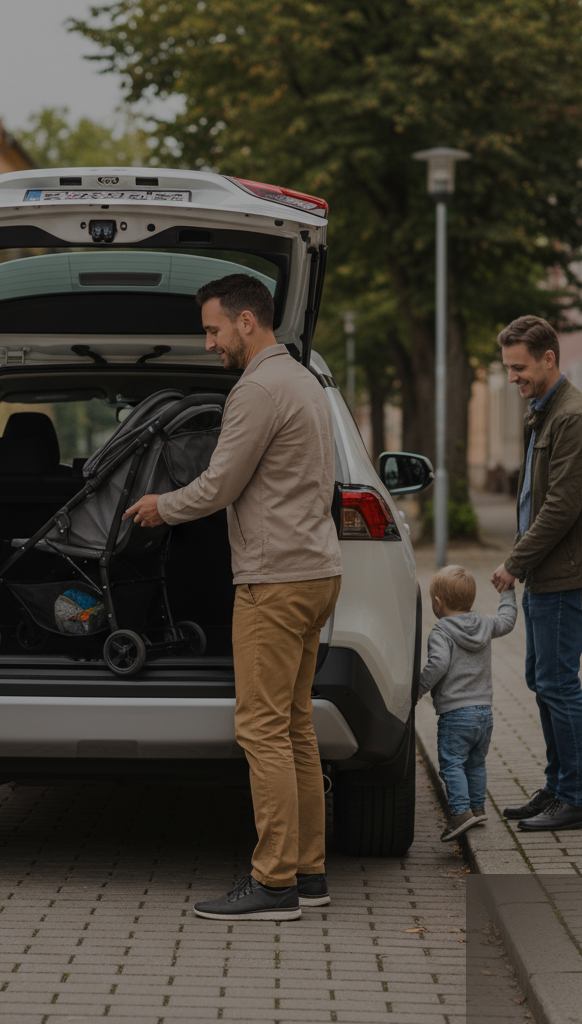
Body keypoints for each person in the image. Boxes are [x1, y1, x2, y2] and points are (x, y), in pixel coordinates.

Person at [123, 274, 341, 921]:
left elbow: (219, 484)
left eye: (213, 330)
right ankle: (308, 873)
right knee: (296, 725)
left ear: (247, 323)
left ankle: (273, 883)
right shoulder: (306, 382)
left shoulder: (257, 389)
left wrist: (163, 505)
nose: (209, 343)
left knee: (262, 728)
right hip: (317, 572)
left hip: (274, 581)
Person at [491, 315, 582, 831]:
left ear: (549, 358)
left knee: (558, 683)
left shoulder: (573, 417)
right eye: (508, 368)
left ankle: (575, 800)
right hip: (549, 568)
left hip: (565, 571)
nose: (513, 377)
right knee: (541, 679)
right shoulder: (545, 410)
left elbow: (561, 508)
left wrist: (514, 563)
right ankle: (558, 788)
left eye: (520, 368)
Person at [419, 565, 516, 841]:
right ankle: (476, 807)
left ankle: (460, 813)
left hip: (455, 713)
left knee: (452, 763)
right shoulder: (485, 623)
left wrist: (420, 687)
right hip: (484, 712)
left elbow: (438, 663)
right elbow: (507, 620)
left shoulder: (441, 631)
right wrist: (507, 591)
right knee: (475, 762)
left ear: (438, 603)